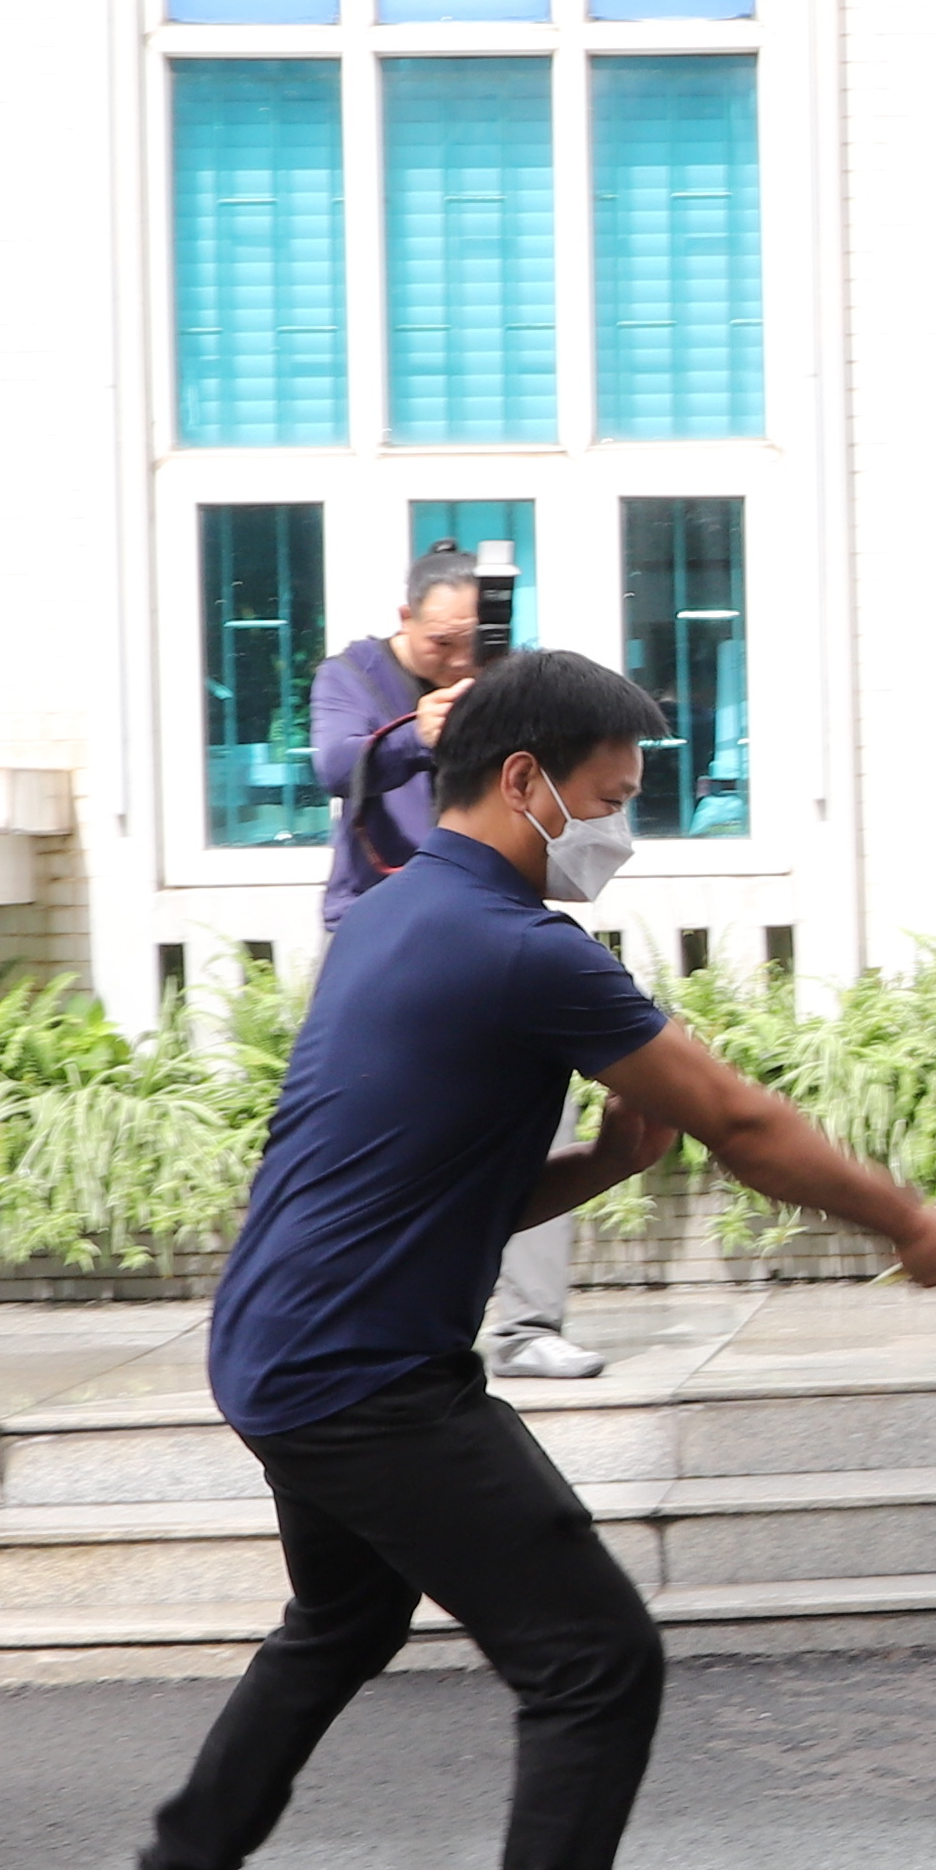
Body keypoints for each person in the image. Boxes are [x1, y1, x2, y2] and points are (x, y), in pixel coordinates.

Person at [81, 645, 936, 1870]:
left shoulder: (391, 915)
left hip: (282, 1346)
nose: (620, 831)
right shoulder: (523, 948)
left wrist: (603, 1165)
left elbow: (411, 1191)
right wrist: (914, 1222)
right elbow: (744, 1120)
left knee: (342, 1616)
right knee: (594, 1661)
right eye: (609, 798)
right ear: (524, 784)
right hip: (366, 1377)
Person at [313, 546, 603, 1380]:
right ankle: (359, 1321)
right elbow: (333, 764)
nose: (457, 657)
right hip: (376, 930)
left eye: (471, 640)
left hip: (489, 922)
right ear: (406, 620)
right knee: (359, 1127)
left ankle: (529, 1327)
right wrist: (418, 731)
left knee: (541, 1110)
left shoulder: (501, 677)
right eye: (441, 641)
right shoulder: (352, 677)